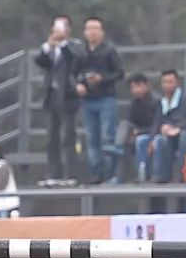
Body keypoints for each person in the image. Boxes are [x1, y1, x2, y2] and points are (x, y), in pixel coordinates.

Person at [76, 16, 124, 184]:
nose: (92, 32)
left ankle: (110, 174)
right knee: (91, 139)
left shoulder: (110, 50)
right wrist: (79, 84)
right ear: (84, 32)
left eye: (96, 29)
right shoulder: (80, 51)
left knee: (107, 137)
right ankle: (96, 174)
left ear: (102, 32)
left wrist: (102, 78)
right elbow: (73, 72)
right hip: (87, 99)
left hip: (106, 97)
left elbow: (120, 73)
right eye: (89, 29)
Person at [34, 16, 83, 183]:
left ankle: (72, 173)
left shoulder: (74, 46)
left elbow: (73, 59)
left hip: (68, 96)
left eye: (60, 29)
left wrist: (62, 44)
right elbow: (40, 61)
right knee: (51, 137)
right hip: (52, 95)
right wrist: (49, 46)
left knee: (69, 136)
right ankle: (54, 173)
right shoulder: (51, 48)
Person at [150, 66, 186, 183]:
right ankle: (162, 177)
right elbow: (179, 115)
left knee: (183, 135)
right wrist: (170, 126)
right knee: (163, 139)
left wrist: (178, 128)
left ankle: (184, 175)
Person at [106, 73, 159, 184]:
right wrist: (132, 133)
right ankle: (119, 176)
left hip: (152, 134)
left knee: (134, 141)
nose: (135, 90)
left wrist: (139, 132)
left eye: (138, 86)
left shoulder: (156, 101)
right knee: (124, 129)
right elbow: (130, 122)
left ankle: (118, 147)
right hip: (136, 134)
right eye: (133, 87)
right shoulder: (134, 103)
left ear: (146, 85)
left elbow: (157, 124)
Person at [135, 70, 183, 183]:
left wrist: (171, 126)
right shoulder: (162, 101)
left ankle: (160, 176)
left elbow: (185, 117)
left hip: (176, 136)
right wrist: (151, 139)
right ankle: (143, 175)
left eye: (170, 82)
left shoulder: (184, 98)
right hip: (162, 133)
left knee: (159, 140)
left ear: (177, 83)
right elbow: (157, 122)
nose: (167, 85)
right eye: (164, 82)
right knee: (142, 140)